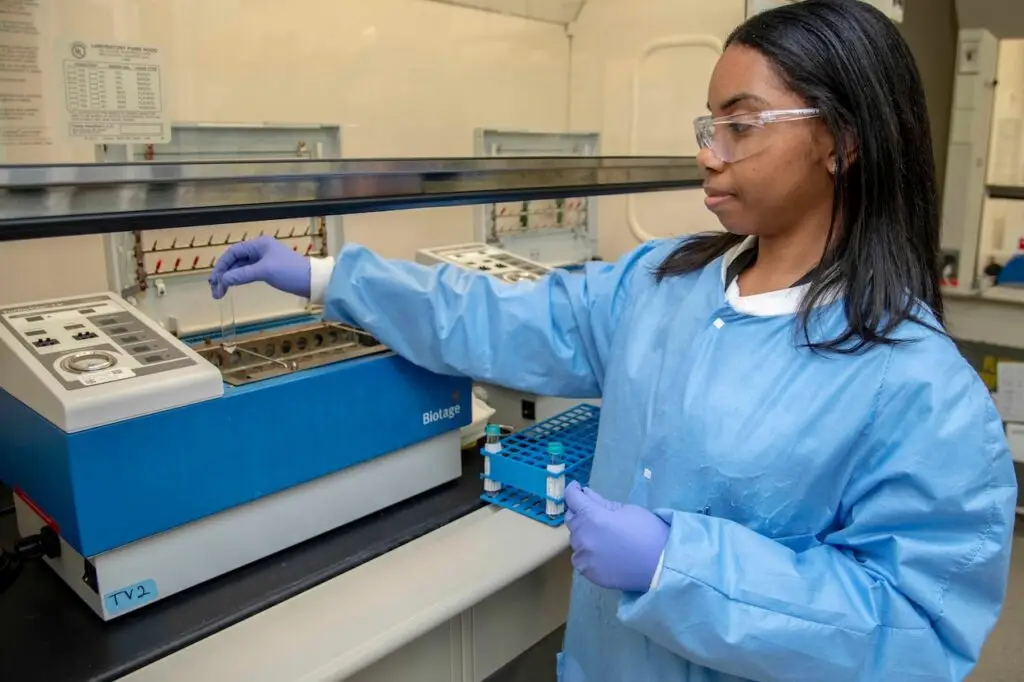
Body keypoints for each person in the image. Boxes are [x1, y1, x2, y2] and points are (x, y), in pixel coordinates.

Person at [208, 1, 1016, 679]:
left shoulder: (917, 385)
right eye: (709, 124)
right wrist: (323, 279)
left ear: (843, 139)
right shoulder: (662, 284)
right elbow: (495, 316)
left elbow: (915, 631)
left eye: (741, 125)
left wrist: (677, 564)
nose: (707, 154)